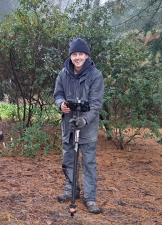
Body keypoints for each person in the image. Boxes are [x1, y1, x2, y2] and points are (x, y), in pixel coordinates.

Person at [53, 38, 104, 214]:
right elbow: (57, 94)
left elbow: (96, 104)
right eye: (74, 54)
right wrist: (61, 104)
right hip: (68, 126)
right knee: (69, 161)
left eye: (80, 54)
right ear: (70, 56)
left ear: (86, 55)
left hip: (87, 128)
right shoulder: (63, 74)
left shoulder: (95, 75)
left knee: (89, 162)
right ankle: (71, 190)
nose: (77, 57)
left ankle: (90, 198)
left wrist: (85, 119)